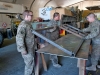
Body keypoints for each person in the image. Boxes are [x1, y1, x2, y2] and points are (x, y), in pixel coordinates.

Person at [16, 10, 35, 75]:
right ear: (26, 16)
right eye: (31, 15)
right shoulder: (23, 25)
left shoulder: (28, 24)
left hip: (30, 47)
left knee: (31, 62)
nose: (32, 17)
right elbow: (19, 38)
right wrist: (22, 49)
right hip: (27, 48)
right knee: (28, 64)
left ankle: (31, 73)